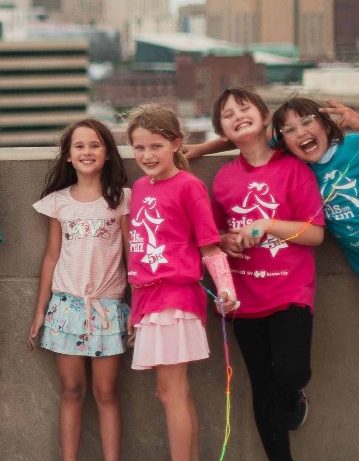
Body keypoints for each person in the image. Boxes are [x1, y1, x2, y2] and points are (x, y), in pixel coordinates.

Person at [192, 96, 359, 459]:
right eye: (289, 129)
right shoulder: (293, 163)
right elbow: (244, 137)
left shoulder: (357, 147)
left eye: (308, 122)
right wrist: (197, 149)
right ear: (282, 139)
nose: (300, 133)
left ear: (326, 125)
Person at [206, 89, 324, 460]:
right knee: (261, 385)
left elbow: (316, 233)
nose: (238, 115)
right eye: (228, 114)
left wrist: (268, 225)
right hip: (244, 296)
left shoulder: (294, 169)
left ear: (263, 115)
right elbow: (216, 238)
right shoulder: (223, 179)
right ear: (222, 129)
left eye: (244, 108)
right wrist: (227, 240)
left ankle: (295, 393)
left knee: (290, 372)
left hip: (290, 291)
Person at [123, 104, 239, 461]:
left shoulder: (190, 186)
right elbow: (136, 251)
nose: (146, 155)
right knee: (172, 392)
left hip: (174, 298)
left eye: (155, 146)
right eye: (139, 147)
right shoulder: (140, 187)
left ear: (176, 143)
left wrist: (227, 290)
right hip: (147, 299)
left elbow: (209, 245)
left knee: (170, 391)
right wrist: (134, 306)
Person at [27, 119, 129, 461]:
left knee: (107, 392)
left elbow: (133, 258)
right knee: (71, 390)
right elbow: (51, 257)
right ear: (68, 156)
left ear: (108, 153)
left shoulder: (122, 200)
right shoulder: (58, 202)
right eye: (79, 146)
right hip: (66, 309)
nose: (87, 152)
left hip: (107, 309)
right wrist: (41, 310)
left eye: (95, 145)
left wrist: (138, 308)